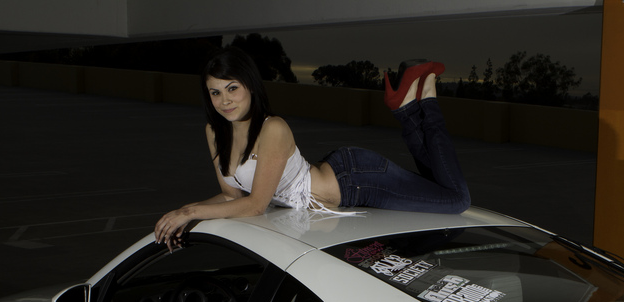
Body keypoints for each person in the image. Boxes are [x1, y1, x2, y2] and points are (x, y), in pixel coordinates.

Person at [154, 48, 471, 250]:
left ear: (249, 85)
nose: (225, 100)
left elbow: (256, 205)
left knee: (457, 200)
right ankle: (409, 103)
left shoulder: (272, 128)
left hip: (356, 180)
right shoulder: (214, 132)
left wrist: (191, 212)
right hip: (338, 176)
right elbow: (231, 197)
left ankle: (424, 103)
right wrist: (186, 214)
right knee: (437, 185)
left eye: (232, 88)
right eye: (215, 92)